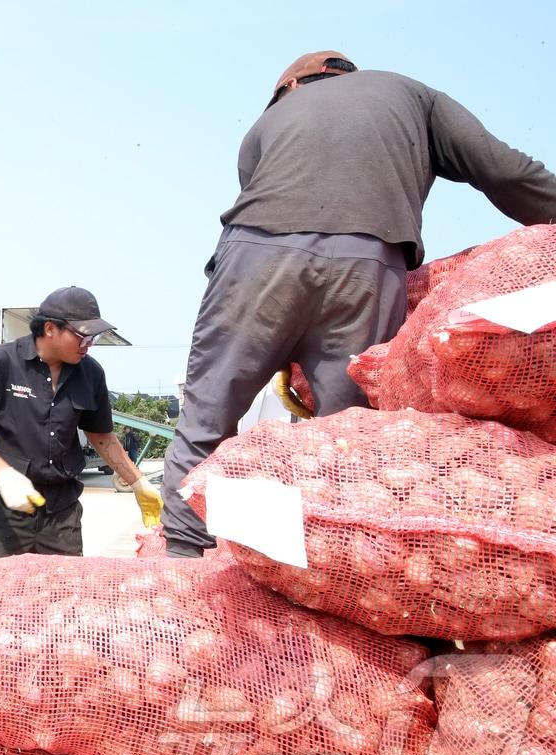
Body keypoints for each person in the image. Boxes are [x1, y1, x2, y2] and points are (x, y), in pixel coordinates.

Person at [161, 52, 556, 558]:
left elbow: (264, 206)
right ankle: (330, 566)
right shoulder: (413, 93)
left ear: (291, 87)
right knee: (346, 442)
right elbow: (505, 171)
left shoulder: (269, 120)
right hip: (366, 270)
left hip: (257, 259)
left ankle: (185, 559)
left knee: (206, 420)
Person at [0, 287, 163, 562]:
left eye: (93, 337)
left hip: (61, 513)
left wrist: (138, 482)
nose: (89, 344)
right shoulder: (1, 361)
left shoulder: (91, 374)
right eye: (83, 336)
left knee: (61, 594)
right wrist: (3, 473)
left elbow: (101, 436)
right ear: (50, 329)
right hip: (4, 509)